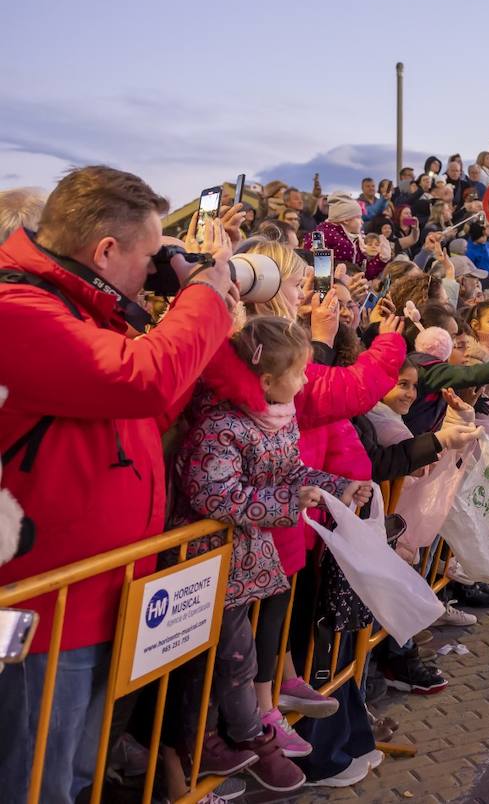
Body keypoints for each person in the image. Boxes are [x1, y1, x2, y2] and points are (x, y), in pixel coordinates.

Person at [0, 166, 236, 803]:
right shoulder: (15, 309)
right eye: (150, 255)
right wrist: (203, 295)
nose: (155, 270)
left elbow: (145, 415)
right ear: (105, 251)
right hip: (43, 612)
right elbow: (143, 382)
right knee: (36, 783)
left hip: (103, 594)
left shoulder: (85, 312)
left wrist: (199, 308)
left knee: (78, 776)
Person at [171, 316, 370, 792]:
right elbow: (211, 493)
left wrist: (336, 487)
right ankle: (237, 739)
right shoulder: (222, 424)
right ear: (264, 379)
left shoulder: (277, 415)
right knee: (227, 658)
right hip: (209, 561)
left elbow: (290, 471)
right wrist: (285, 502)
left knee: (232, 656)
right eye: (298, 373)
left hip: (243, 560)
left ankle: (223, 738)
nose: (304, 382)